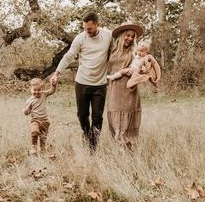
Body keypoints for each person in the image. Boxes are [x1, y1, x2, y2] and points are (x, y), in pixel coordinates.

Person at [50, 11, 112, 152]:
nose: (86, 31)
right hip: (82, 82)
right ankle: (86, 134)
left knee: (97, 117)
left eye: (89, 28)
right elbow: (69, 56)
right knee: (82, 115)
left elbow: (117, 50)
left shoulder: (108, 35)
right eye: (84, 28)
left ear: (97, 24)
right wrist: (56, 73)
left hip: (100, 84)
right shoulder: (80, 38)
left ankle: (93, 147)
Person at [107, 21, 160, 149]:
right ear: (121, 35)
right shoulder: (112, 50)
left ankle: (127, 151)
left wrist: (141, 72)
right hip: (114, 89)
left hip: (129, 90)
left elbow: (146, 67)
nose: (130, 38)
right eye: (127, 35)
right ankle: (119, 148)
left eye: (132, 36)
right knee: (115, 119)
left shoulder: (136, 52)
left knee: (127, 122)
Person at [23, 78, 55, 155]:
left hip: (45, 121)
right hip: (35, 120)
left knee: (43, 137)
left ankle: (43, 150)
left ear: (42, 90)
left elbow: (52, 91)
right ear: (31, 89)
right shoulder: (29, 101)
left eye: (39, 90)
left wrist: (53, 85)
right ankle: (33, 146)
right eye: (35, 90)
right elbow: (27, 112)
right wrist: (25, 111)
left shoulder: (44, 94)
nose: (37, 92)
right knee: (34, 131)